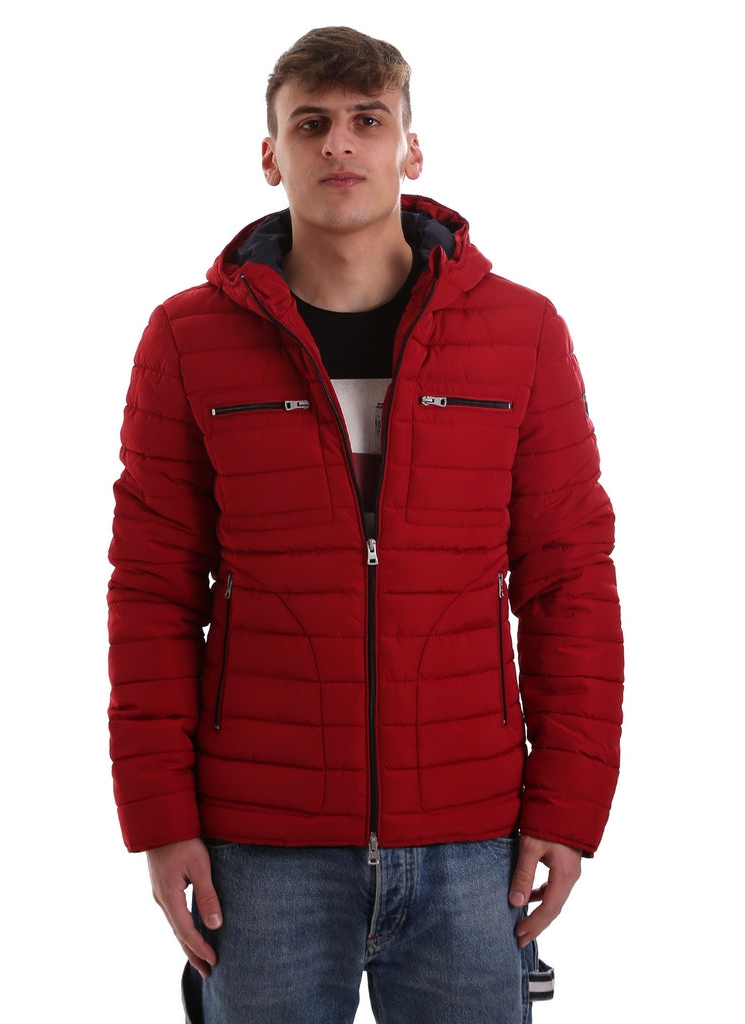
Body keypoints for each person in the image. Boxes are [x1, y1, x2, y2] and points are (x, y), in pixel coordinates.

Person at [108, 25, 623, 1024]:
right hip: (260, 847)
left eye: (366, 121)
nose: (339, 143)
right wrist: (161, 819)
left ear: (410, 150)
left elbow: (570, 580)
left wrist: (569, 806)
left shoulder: (521, 334)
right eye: (310, 124)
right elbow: (152, 591)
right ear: (271, 156)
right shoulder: (187, 340)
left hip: (474, 841)